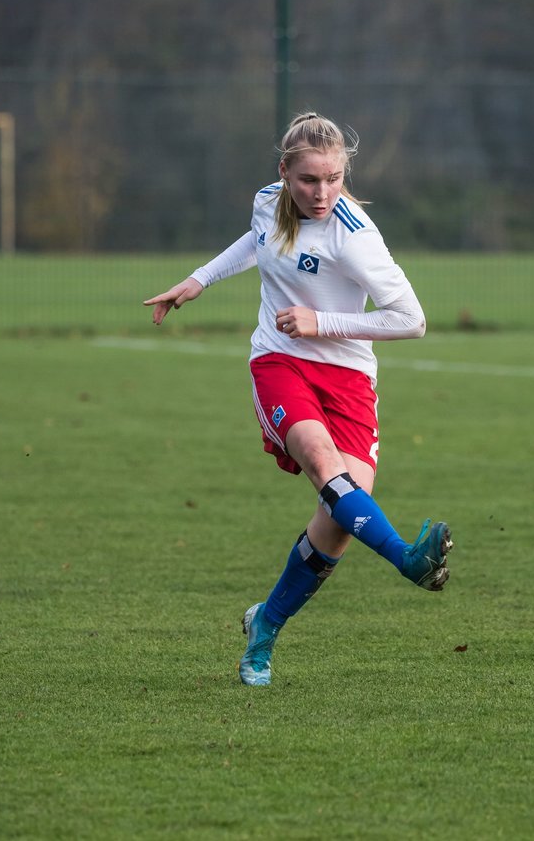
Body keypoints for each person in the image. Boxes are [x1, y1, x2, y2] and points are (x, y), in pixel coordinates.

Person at [145, 112, 453, 687]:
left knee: (338, 522)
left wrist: (323, 322)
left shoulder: (355, 235)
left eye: (334, 178)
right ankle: (409, 562)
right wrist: (199, 280)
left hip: (349, 379)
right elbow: (258, 242)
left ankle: (266, 623)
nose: (323, 192)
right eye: (310, 179)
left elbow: (412, 320)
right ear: (285, 172)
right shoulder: (268, 201)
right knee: (323, 465)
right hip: (280, 361)